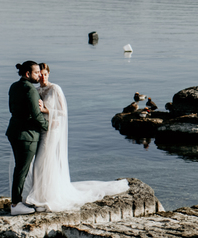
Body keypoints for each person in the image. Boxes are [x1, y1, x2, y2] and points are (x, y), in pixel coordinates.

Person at [22, 63, 129, 212]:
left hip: (53, 131)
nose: (43, 77)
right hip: (42, 129)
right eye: (40, 74)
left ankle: (46, 197)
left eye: (45, 74)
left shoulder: (55, 89)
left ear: (49, 74)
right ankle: (41, 194)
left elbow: (63, 112)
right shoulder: (37, 90)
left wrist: (45, 109)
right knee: (42, 163)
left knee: (43, 162)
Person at [7, 61, 48, 216]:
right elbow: (36, 115)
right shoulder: (30, 89)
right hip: (27, 135)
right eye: (36, 72)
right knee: (22, 169)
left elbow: (13, 109)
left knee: (20, 168)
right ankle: (16, 204)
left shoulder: (14, 86)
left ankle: (20, 200)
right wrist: (48, 126)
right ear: (27, 74)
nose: (39, 75)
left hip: (14, 131)